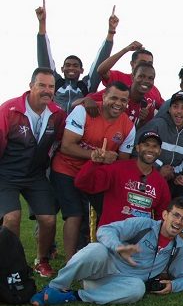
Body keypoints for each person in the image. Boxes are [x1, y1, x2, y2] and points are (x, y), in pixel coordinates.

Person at [30, 197, 183, 306]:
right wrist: (118, 247)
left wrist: (173, 285)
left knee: (138, 289)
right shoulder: (144, 225)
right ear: (165, 215)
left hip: (120, 284)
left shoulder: (178, 247)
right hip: (102, 268)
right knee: (97, 249)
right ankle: (54, 287)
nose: (178, 222)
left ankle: (74, 296)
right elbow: (105, 230)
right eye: (176, 215)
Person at [50, 81, 135, 260]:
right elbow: (66, 146)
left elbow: (122, 161)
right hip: (68, 169)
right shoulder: (84, 111)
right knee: (74, 214)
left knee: (109, 212)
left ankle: (104, 257)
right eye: (113, 98)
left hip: (96, 176)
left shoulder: (128, 125)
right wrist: (95, 156)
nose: (118, 103)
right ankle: (71, 262)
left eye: (123, 100)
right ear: (103, 97)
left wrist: (111, 159)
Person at [0, 67, 67, 277]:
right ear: (31, 86)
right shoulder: (9, 109)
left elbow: (60, 141)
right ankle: (11, 265)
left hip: (36, 175)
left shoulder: (57, 114)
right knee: (12, 218)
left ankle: (41, 260)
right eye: (42, 85)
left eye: (51, 86)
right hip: (6, 174)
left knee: (48, 219)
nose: (47, 90)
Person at [75, 131, 171, 227]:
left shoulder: (161, 183)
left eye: (155, 146)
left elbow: (162, 218)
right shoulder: (117, 169)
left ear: (159, 151)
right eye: (146, 145)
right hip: (112, 232)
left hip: (140, 237)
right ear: (137, 148)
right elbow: (82, 183)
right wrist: (93, 163)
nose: (150, 149)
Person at [35, 0, 116, 112]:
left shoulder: (86, 86)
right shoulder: (55, 83)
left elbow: (100, 62)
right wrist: (42, 24)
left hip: (76, 128)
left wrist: (111, 33)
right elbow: (44, 59)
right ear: (62, 69)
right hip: (55, 125)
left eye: (75, 66)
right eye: (67, 65)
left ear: (82, 70)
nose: (71, 68)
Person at [136, 92, 183, 185]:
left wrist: (174, 173)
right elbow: (137, 150)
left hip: (172, 182)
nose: (179, 111)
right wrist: (159, 169)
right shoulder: (156, 125)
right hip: (145, 178)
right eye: (175, 106)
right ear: (169, 109)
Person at [86, 62, 157, 128]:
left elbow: (134, 134)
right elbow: (83, 100)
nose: (146, 81)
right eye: (141, 76)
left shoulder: (147, 106)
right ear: (132, 77)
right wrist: (88, 100)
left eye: (150, 78)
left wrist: (142, 121)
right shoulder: (118, 91)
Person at [95, 41, 163, 108]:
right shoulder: (119, 77)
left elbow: (168, 108)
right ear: (132, 64)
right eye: (142, 62)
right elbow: (101, 70)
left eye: (150, 63)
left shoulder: (154, 90)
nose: (146, 65)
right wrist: (125, 50)